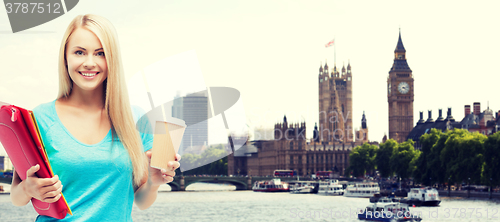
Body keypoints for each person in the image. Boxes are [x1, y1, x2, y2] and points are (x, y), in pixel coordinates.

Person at [10, 14, 180, 221]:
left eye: (100, 53)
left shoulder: (135, 119)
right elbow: (17, 197)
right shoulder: (39, 118)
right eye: (79, 52)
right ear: (65, 57)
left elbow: (141, 201)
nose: (89, 63)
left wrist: (153, 183)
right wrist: (29, 189)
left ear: (112, 60)